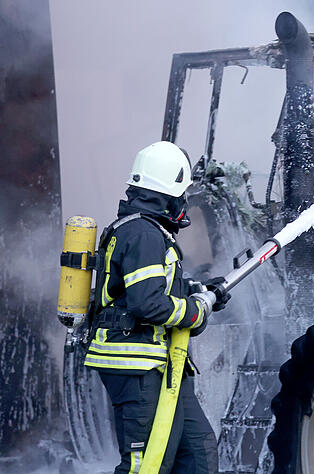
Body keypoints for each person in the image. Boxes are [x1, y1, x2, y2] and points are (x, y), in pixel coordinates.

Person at [84, 141, 228, 473]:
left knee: (197, 454)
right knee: (145, 465)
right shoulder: (144, 234)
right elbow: (147, 304)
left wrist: (201, 294)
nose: (185, 203)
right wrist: (195, 310)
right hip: (137, 366)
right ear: (167, 193)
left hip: (161, 366)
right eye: (182, 194)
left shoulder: (146, 233)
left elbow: (156, 292)